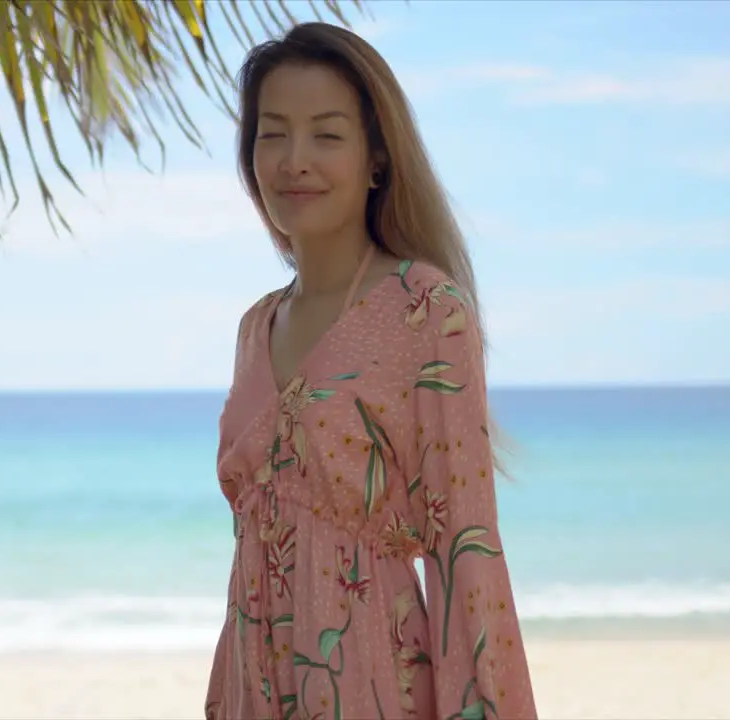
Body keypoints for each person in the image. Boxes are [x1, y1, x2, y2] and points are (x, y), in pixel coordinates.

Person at [205, 22, 537, 720]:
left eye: (327, 134)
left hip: (374, 685)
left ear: (376, 159)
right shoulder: (255, 327)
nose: (296, 160)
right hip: (250, 684)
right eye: (273, 134)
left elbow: (466, 551)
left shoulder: (426, 311)